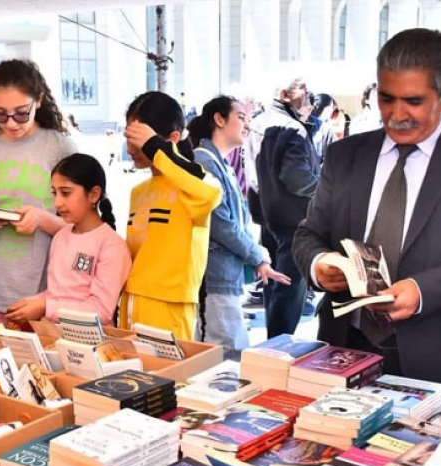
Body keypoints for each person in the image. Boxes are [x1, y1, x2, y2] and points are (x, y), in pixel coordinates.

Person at [292, 28, 441, 411]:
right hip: (343, 351)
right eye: (387, 98)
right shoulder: (345, 156)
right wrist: (320, 265)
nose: (397, 115)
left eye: (414, 101)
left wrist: (423, 290)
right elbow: (309, 234)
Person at [0, 59, 76, 328]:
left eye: (21, 113)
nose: (11, 123)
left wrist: (42, 219)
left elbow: (83, 228)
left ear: (39, 100)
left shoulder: (61, 148)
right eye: (0, 113)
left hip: (45, 292)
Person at [187, 96, 289, 358]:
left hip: (224, 275)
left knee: (229, 354)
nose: (247, 124)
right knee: (224, 359)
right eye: (241, 117)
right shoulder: (204, 162)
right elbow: (220, 224)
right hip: (214, 278)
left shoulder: (219, 161)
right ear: (219, 120)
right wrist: (257, 255)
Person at [120, 91, 222, 340]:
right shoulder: (138, 191)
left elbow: (209, 193)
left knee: (169, 376)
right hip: (131, 299)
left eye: (139, 139)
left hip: (170, 304)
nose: (131, 147)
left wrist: (156, 147)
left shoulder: (193, 187)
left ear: (172, 138)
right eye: (130, 136)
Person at [5, 153, 131, 326]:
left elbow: (101, 311)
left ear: (94, 194)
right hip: (52, 338)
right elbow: (57, 294)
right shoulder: (61, 236)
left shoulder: (112, 245)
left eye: (65, 193)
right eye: (54, 193)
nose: (57, 203)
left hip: (89, 345)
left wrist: (45, 307)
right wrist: (28, 306)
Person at [251, 77, 320, 339]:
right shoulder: (291, 128)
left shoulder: (258, 123)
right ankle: (278, 349)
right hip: (292, 222)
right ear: (285, 94)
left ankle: (273, 347)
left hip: (265, 216)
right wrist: (325, 191)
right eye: (304, 89)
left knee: (273, 286)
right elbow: (296, 177)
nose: (309, 95)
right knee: (288, 291)